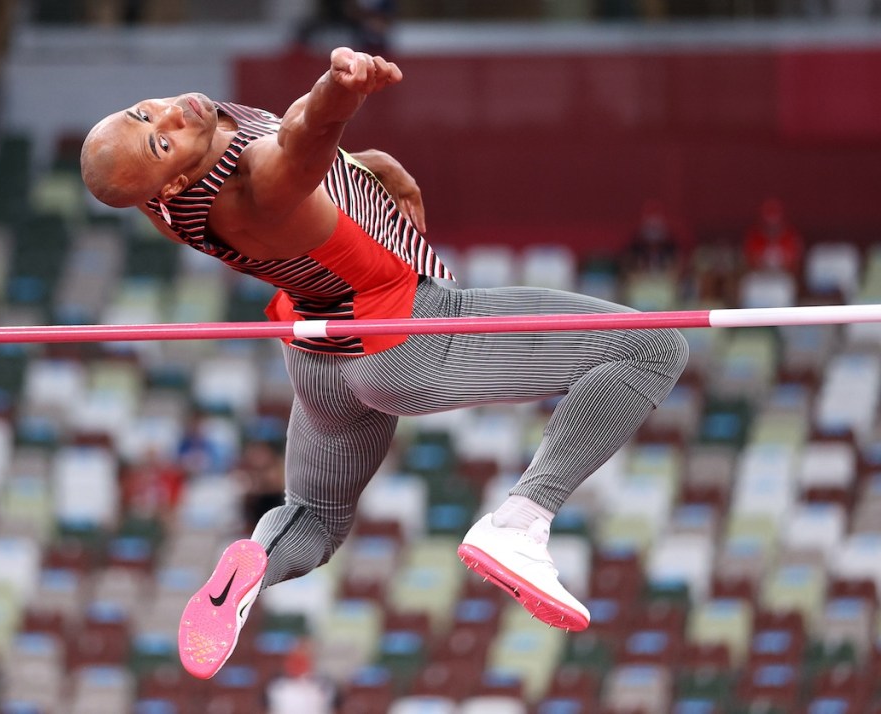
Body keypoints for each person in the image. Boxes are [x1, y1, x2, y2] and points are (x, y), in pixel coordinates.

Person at [79, 47, 689, 680]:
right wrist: (339, 90)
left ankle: (256, 556)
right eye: (160, 144)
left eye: (143, 113)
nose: (171, 117)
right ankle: (521, 521)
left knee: (313, 518)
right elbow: (298, 141)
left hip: (319, 349)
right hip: (402, 333)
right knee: (648, 346)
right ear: (172, 182)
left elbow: (315, 175)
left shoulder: (165, 198)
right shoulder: (254, 185)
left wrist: (374, 173)